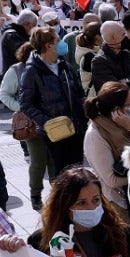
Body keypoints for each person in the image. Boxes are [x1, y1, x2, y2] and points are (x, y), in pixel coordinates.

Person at [18, 26, 88, 178]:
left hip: (76, 127)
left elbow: (78, 92)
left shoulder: (64, 66)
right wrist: (48, 122)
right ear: (48, 45)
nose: (62, 43)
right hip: (55, 132)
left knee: (78, 171)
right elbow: (25, 104)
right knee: (62, 173)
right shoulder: (32, 71)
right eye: (58, 40)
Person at [83, 81, 130, 209]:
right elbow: (112, 180)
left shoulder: (129, 120)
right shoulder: (96, 135)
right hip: (120, 201)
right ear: (117, 110)